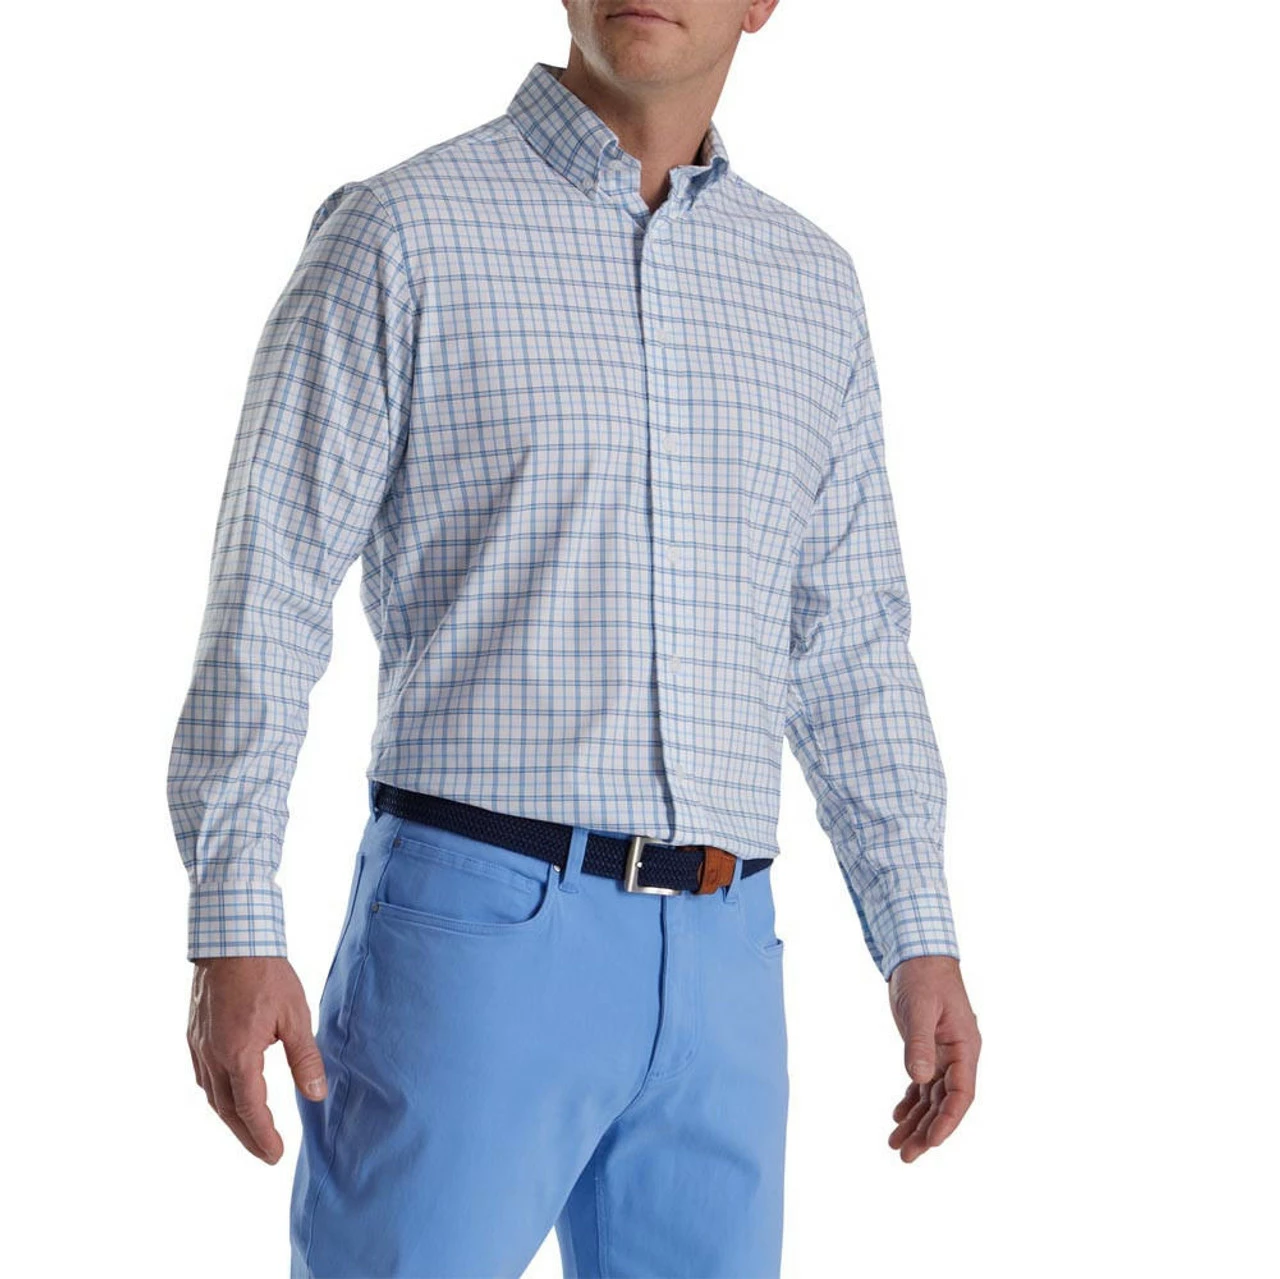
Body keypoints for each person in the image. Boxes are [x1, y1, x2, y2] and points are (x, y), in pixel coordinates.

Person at [170, 2, 982, 1275]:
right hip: (474, 936)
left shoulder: (810, 286)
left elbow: (847, 640)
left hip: (725, 953)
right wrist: (232, 916)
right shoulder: (403, 232)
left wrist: (916, 929)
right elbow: (266, 584)